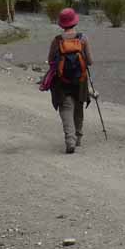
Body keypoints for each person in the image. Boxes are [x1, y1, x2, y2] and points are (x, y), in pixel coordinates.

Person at [48, 8, 93, 154]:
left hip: (62, 82)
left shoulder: (57, 40)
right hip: (80, 81)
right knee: (78, 109)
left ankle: (70, 140)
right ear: (75, 21)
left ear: (61, 24)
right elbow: (90, 61)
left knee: (66, 109)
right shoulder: (83, 38)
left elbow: (50, 60)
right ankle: (78, 137)